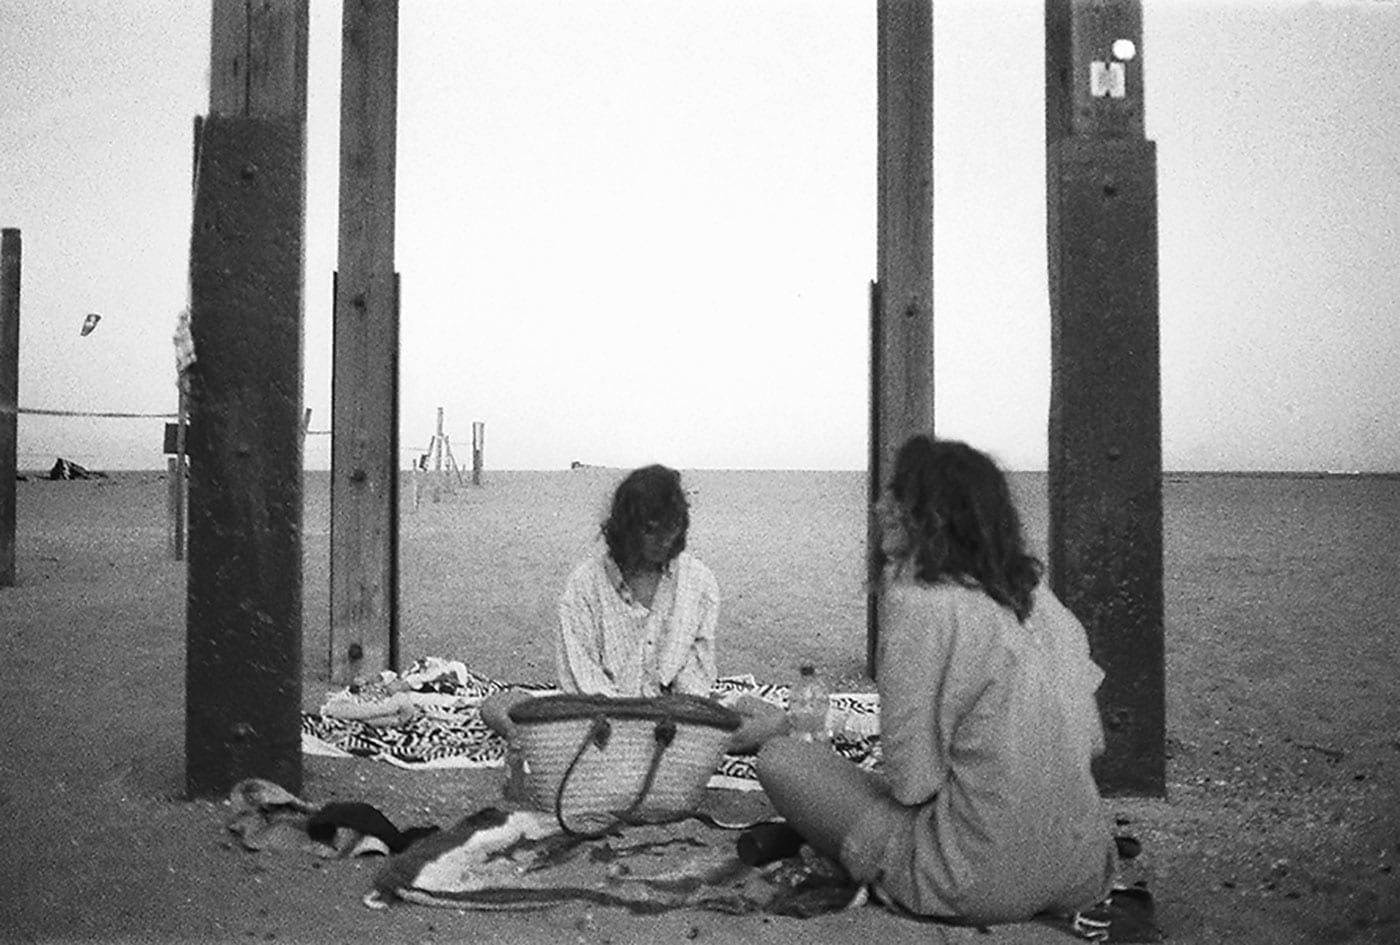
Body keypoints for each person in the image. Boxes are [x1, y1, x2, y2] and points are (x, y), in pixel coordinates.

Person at [754, 435, 1116, 924]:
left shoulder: (918, 602)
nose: (879, 506)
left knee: (783, 759)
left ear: (931, 516)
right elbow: (1092, 743)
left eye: (895, 496)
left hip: (974, 882)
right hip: (1084, 870)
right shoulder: (1039, 600)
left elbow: (911, 785)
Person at [481, 464, 783, 752]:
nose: (665, 540)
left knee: (776, 721)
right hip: (601, 714)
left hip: (677, 717)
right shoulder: (585, 584)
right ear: (628, 527)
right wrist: (627, 720)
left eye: (672, 528)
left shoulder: (699, 581)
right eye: (651, 530)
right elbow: (582, 676)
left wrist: (684, 717)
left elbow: (695, 673)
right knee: (497, 706)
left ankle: (686, 749)